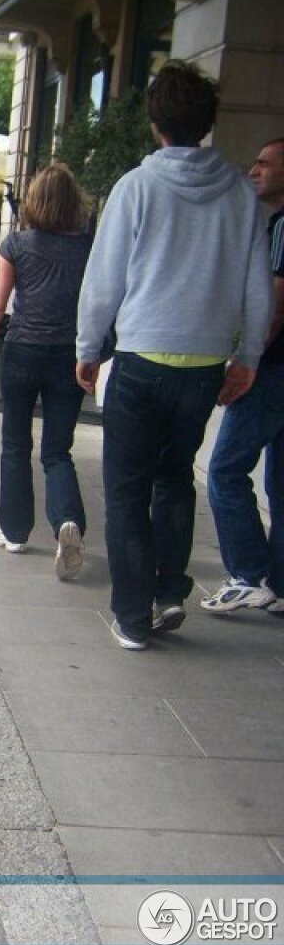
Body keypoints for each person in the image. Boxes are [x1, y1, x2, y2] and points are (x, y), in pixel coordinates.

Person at [75, 61, 272, 651]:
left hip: (139, 359)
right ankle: (168, 591)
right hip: (205, 365)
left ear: (155, 122)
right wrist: (248, 357)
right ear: (207, 123)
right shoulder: (241, 193)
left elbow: (103, 280)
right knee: (174, 479)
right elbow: (257, 286)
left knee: (127, 489)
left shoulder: (136, 187)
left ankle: (133, 618)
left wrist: (88, 348)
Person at [0, 164, 94, 580]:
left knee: (15, 444)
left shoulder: (16, 245)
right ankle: (67, 522)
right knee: (58, 449)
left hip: (22, 351)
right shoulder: (88, 248)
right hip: (69, 356)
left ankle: (14, 530)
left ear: (34, 201)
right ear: (75, 203)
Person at [201, 138, 284, 614]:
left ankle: (247, 573)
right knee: (279, 481)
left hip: (272, 370)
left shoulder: (283, 228)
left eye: (266, 164)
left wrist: (246, 362)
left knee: (225, 470)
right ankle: (276, 580)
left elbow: (274, 303)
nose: (254, 170)